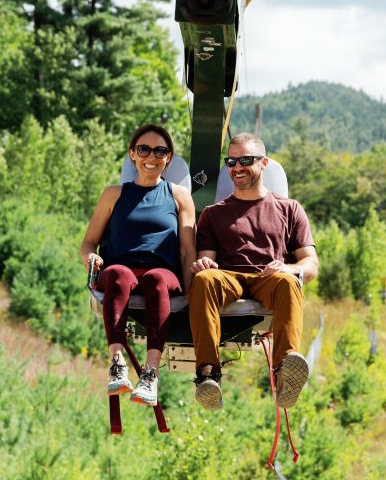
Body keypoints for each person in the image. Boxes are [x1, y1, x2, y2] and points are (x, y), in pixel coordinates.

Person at [189, 132, 319, 411]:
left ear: (264, 163)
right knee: (203, 279)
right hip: (229, 277)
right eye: (232, 161)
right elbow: (207, 259)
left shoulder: (290, 209)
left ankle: (285, 372)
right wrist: (204, 265)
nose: (237, 167)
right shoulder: (213, 214)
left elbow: (310, 264)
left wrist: (288, 268)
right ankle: (208, 375)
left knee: (290, 281)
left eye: (246, 160)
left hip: (269, 278)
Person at [80, 124, 196, 407]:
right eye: (143, 149)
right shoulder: (113, 195)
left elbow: (187, 250)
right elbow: (88, 243)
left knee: (156, 279)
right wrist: (90, 258)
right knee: (118, 274)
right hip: (121, 270)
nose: (151, 157)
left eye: (160, 151)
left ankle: (151, 373)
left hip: (162, 273)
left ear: (168, 158)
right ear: (133, 154)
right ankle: (117, 363)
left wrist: (192, 293)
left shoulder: (179, 196)